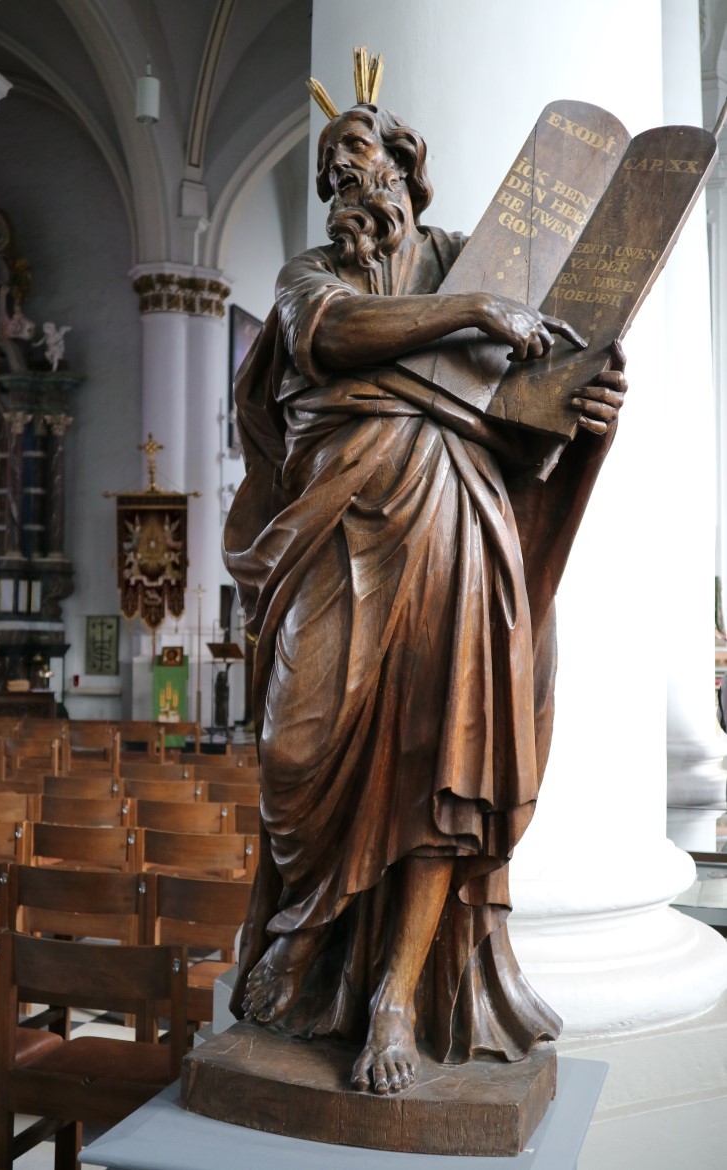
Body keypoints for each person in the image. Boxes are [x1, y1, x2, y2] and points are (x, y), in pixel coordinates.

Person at [223, 102, 626, 1096]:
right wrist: (472, 313)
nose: (347, 186)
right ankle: (306, 931)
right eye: (333, 173)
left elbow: (533, 412)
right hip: (337, 526)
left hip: (456, 523)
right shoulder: (312, 277)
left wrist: (590, 407)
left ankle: (397, 997)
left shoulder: (469, 258)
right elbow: (325, 334)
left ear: (407, 174)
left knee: (447, 764)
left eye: (362, 163)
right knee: (295, 751)